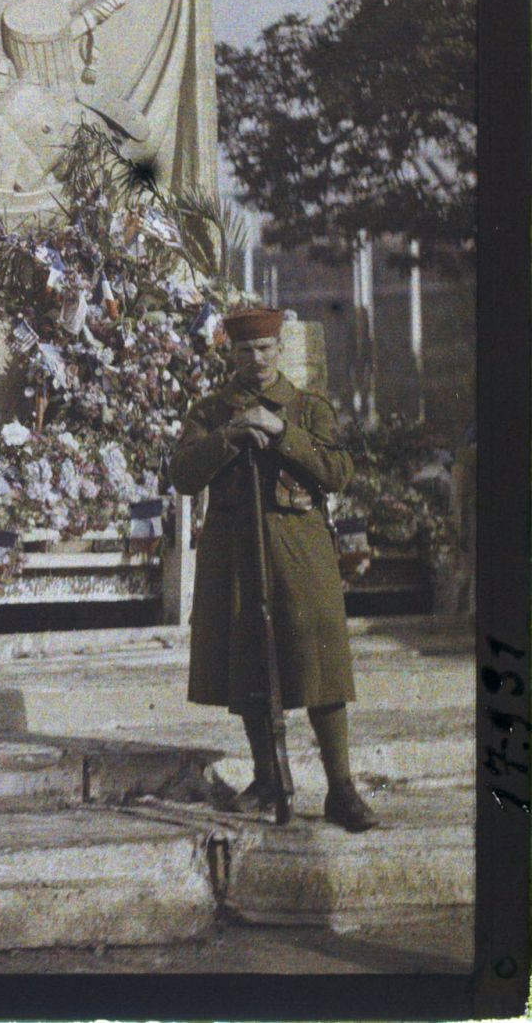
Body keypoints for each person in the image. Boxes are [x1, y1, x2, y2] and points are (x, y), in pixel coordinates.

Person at [169, 306, 378, 832]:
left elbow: (338, 472)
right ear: (230, 354)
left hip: (300, 550)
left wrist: (281, 430)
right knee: (247, 664)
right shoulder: (212, 410)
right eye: (244, 350)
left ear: (279, 349)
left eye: (264, 349)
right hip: (235, 551)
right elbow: (184, 475)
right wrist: (229, 436)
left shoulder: (308, 407)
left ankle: (341, 788)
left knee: (319, 665)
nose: (256, 359)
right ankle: (267, 777)